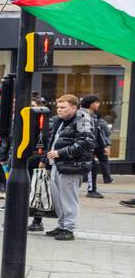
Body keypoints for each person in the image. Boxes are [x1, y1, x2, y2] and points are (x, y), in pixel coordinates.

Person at [44, 94, 94, 241]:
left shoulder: (83, 120)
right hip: (57, 164)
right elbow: (52, 140)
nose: (59, 110)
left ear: (74, 107)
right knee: (58, 199)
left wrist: (59, 153)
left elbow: (85, 143)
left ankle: (69, 228)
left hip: (71, 166)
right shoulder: (60, 121)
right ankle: (62, 225)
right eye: (58, 107)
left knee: (68, 199)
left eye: (63, 107)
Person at [79, 95, 112, 198]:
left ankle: (92, 190)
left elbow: (97, 132)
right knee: (88, 168)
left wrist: (103, 146)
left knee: (92, 168)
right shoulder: (82, 115)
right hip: (84, 147)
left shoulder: (93, 115)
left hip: (91, 147)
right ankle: (91, 190)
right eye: (97, 102)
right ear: (91, 104)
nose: (98, 105)